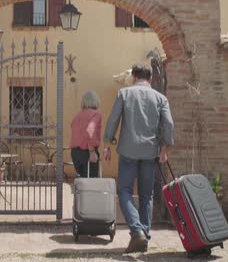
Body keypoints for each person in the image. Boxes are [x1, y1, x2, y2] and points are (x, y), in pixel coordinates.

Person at [103, 63, 174, 253]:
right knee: (146, 195)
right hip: (150, 152)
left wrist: (107, 143)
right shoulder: (161, 98)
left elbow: (113, 119)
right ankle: (145, 235)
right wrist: (165, 149)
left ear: (133, 77)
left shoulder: (124, 94)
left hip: (128, 151)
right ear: (150, 79)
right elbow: (168, 124)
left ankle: (137, 231)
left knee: (124, 191)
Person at [70, 90, 102, 178]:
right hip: (87, 151)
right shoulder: (96, 114)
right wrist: (92, 151)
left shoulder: (77, 116)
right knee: (91, 183)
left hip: (75, 153)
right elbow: (90, 131)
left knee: (82, 182)